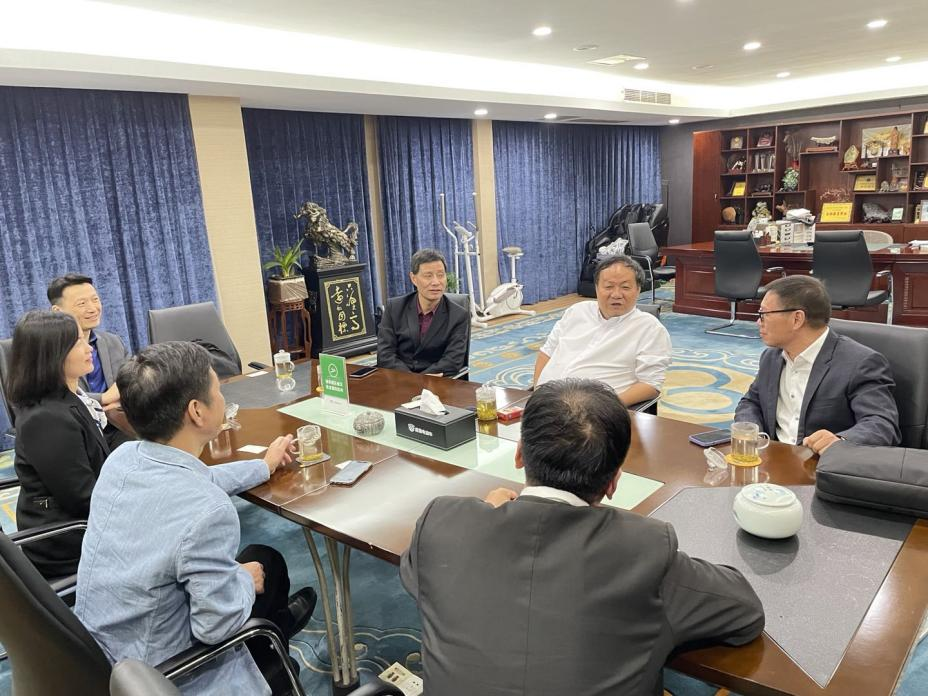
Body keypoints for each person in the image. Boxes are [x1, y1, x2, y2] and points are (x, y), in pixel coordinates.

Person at [400, 378, 765, 696]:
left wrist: (479, 518)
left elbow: (419, 578)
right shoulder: (643, 548)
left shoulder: (443, 522)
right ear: (614, 481)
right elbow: (744, 613)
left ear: (519, 454)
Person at [75, 342, 316, 695]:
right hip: (163, 674)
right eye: (218, 391)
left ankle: (277, 630)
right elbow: (215, 627)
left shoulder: (123, 458)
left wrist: (264, 466)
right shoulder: (208, 512)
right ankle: (274, 660)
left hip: (105, 651)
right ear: (197, 412)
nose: (223, 398)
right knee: (257, 572)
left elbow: (199, 479)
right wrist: (242, 579)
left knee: (266, 560)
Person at [735, 275, 900, 454]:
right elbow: (751, 402)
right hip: (773, 458)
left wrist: (840, 441)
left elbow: (882, 424)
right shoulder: (771, 357)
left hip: (823, 463)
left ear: (797, 319)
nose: (758, 322)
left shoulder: (860, 363)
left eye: (764, 314)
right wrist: (754, 433)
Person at [6, 310, 111, 579]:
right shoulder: (46, 419)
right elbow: (84, 498)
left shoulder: (68, 398)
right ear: (52, 355)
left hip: (82, 524)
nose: (88, 348)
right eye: (77, 343)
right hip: (68, 542)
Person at [533, 255, 672, 406]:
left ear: (638, 290)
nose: (616, 294)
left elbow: (650, 385)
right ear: (597, 288)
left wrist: (607, 407)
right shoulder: (577, 311)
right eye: (608, 286)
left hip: (594, 410)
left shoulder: (650, 329)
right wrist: (536, 393)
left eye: (625, 287)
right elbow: (547, 353)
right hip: (545, 402)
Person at [376, 248, 469, 376]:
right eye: (428, 276)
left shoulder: (458, 315)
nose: (436, 282)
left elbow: (453, 360)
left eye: (440, 275)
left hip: (436, 381)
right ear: (413, 278)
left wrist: (423, 380)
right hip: (400, 378)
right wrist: (412, 380)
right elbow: (385, 354)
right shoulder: (394, 308)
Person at [48, 273, 128, 408]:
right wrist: (104, 398)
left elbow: (132, 380)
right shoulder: (48, 351)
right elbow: (53, 396)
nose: (92, 309)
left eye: (95, 300)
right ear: (57, 311)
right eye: (82, 303)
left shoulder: (113, 342)